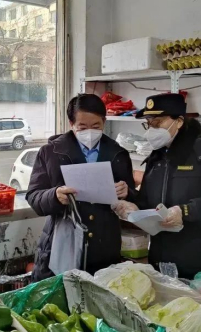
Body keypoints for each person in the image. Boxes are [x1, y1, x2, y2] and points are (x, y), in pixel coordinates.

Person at [113, 93, 201, 279]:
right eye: (148, 123)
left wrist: (185, 211)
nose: (151, 130)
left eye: (157, 123)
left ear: (179, 121)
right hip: (165, 260)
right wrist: (132, 204)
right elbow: (150, 202)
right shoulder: (157, 158)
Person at [27, 94, 135, 281]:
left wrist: (127, 193)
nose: (90, 132)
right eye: (82, 127)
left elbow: (133, 197)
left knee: (99, 294)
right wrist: (54, 196)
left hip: (103, 247)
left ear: (104, 122)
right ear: (71, 124)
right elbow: (34, 196)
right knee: (60, 295)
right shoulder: (51, 152)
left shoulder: (118, 154)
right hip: (61, 244)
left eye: (96, 126)